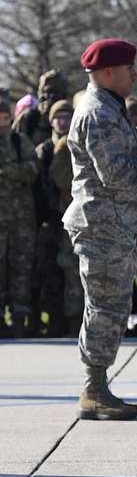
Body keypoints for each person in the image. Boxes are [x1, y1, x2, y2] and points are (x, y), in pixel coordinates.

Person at [63, 38, 137, 419]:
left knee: (114, 305)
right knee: (105, 306)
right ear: (108, 72)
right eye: (128, 69)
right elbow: (117, 174)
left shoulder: (113, 109)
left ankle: (98, 385)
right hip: (101, 223)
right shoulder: (98, 114)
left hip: (115, 223)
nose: (135, 74)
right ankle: (93, 388)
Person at [33, 99, 75, 336]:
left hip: (74, 221)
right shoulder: (44, 150)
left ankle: (73, 321)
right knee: (50, 274)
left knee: (73, 274)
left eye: (67, 116)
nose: (63, 121)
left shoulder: (80, 145)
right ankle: (54, 321)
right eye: (58, 117)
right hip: (51, 222)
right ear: (51, 121)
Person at [0, 98, 39, 338]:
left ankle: (19, 318)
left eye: (5, 119)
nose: (2, 123)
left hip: (21, 221)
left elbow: (32, 170)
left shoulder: (19, 141)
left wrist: (5, 172)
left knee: (21, 271)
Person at [14, 70, 69, 146]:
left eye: (56, 92)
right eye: (48, 92)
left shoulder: (72, 116)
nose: (51, 97)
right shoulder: (28, 117)